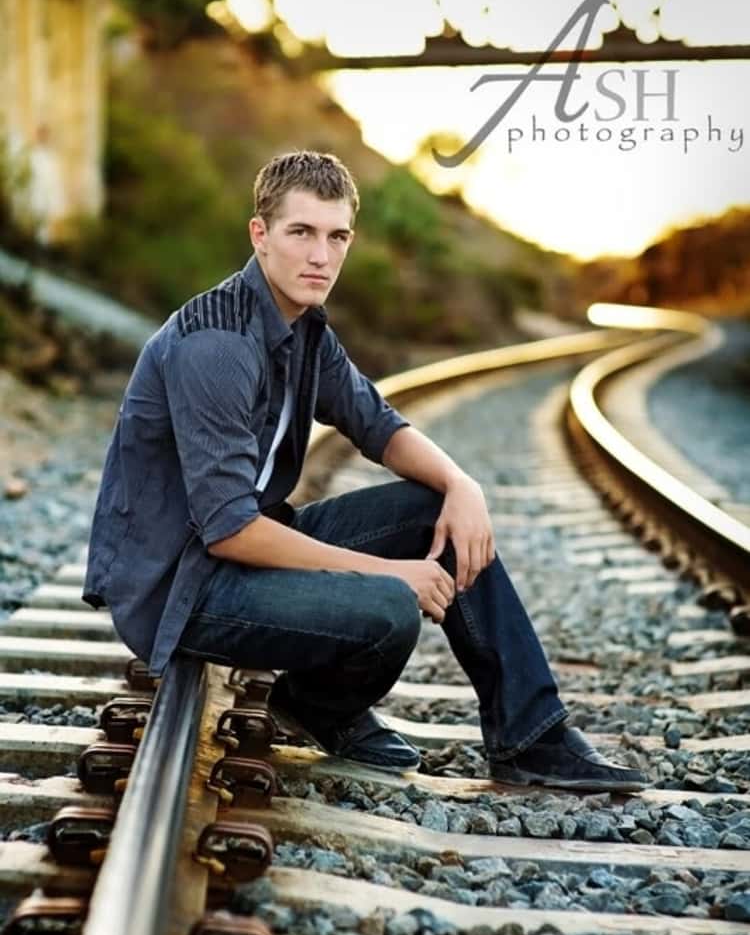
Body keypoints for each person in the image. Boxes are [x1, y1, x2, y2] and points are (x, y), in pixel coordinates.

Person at [83, 150, 647, 793]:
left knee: (436, 508)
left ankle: (532, 735)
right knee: (387, 609)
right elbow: (230, 531)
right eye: (301, 232)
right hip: (184, 588)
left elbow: (378, 424)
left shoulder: (303, 331)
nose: (320, 256)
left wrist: (462, 485)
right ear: (259, 235)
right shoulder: (217, 346)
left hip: (233, 558)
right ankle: (322, 706)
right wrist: (392, 573)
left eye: (336, 236)